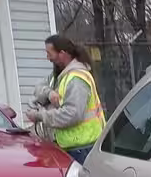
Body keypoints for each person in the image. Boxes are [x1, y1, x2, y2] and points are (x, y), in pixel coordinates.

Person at [25, 35, 105, 163]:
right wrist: (49, 93)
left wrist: (40, 116)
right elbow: (38, 88)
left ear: (62, 54)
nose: (48, 58)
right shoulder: (60, 75)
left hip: (81, 148)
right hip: (71, 146)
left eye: (49, 53)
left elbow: (71, 115)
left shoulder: (76, 79)